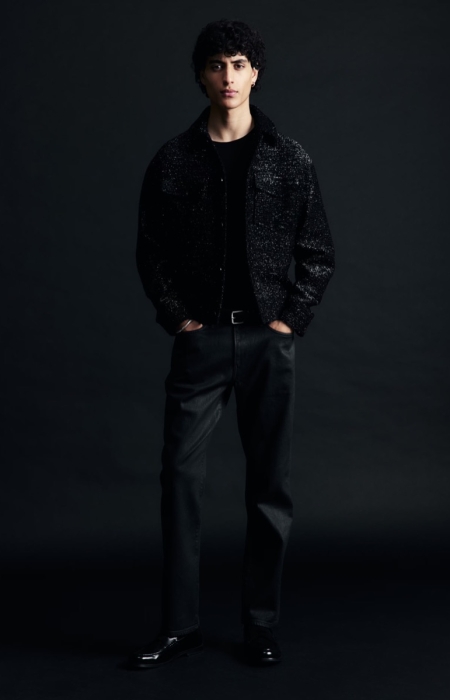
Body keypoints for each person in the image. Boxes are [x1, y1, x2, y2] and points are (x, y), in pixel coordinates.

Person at [130, 18, 335, 668]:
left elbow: (318, 251)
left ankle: (260, 627)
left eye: (240, 63)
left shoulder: (288, 157)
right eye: (217, 64)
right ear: (200, 74)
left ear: (255, 73)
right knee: (180, 481)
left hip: (269, 344)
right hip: (202, 343)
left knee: (269, 488)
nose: (228, 76)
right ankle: (179, 626)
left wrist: (290, 321)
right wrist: (178, 319)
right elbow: (150, 252)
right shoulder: (174, 159)